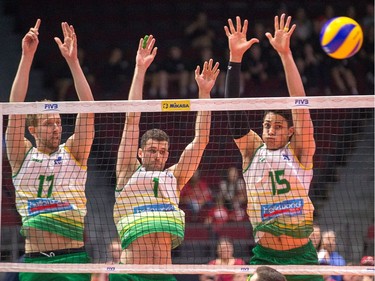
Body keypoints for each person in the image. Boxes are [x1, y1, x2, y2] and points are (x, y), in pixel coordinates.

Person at [111, 35, 219, 281]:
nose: (157, 156)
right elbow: (132, 120)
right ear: (140, 152)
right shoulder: (128, 170)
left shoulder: (174, 178)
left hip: (164, 274)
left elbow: (201, 140)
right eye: (151, 151)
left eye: (162, 152)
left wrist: (204, 93)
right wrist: (140, 70)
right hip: (130, 274)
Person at [223, 14, 323, 281]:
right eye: (267, 125)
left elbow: (300, 104)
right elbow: (234, 115)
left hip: (302, 256)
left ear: (290, 131)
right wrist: (235, 60)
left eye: (278, 126)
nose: (270, 131)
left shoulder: (300, 151)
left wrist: (286, 54)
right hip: (265, 257)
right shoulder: (253, 149)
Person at [5, 19, 95, 281]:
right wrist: (27, 56)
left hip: (74, 259)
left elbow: (88, 109)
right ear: (32, 129)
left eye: (57, 122)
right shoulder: (21, 153)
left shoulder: (74, 152)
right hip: (35, 262)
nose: (56, 128)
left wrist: (73, 62)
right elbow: (14, 108)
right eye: (48, 123)